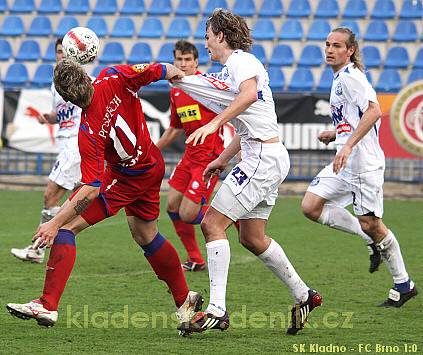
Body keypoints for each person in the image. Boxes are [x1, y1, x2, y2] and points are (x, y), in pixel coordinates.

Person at [6, 59, 203, 329]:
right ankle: (185, 302)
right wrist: (181, 75)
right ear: (87, 78)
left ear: (68, 100)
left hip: (127, 178)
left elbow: (91, 188)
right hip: (151, 164)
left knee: (65, 228)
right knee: (146, 235)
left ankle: (47, 304)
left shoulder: (88, 130)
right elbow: (161, 69)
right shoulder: (113, 75)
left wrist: (53, 222)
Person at [176, 9, 322, 336]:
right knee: (251, 238)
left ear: (221, 36)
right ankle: (305, 295)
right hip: (263, 154)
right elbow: (249, 121)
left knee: (212, 223)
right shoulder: (236, 66)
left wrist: (214, 123)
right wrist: (223, 159)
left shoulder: (240, 61)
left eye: (208, 37)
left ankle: (217, 310)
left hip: (261, 159)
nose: (207, 44)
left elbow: (248, 96)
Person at [301, 27, 417, 307]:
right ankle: (368, 240)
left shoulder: (352, 77)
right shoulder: (340, 77)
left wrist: (349, 144)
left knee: (373, 224)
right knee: (310, 206)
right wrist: (337, 135)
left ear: (350, 50)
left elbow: (374, 110)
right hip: (345, 160)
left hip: (363, 164)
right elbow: (355, 117)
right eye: (327, 44)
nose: (330, 49)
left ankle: (404, 284)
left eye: (337, 45)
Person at [156, 40, 225, 272]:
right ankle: (196, 258)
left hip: (209, 158)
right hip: (189, 157)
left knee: (187, 214)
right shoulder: (176, 90)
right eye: (179, 59)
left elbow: (233, 111)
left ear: (196, 62)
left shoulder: (207, 86)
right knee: (172, 206)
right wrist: (153, 150)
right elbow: (175, 128)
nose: (183, 64)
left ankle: (229, 217)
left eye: (188, 60)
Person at [11, 38, 81, 264]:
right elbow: (60, 114)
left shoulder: (82, 80)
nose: (63, 55)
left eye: (67, 51)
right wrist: (47, 118)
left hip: (76, 143)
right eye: (59, 52)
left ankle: (38, 248)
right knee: (76, 200)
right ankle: (51, 241)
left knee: (51, 194)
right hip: (66, 143)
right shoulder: (57, 83)